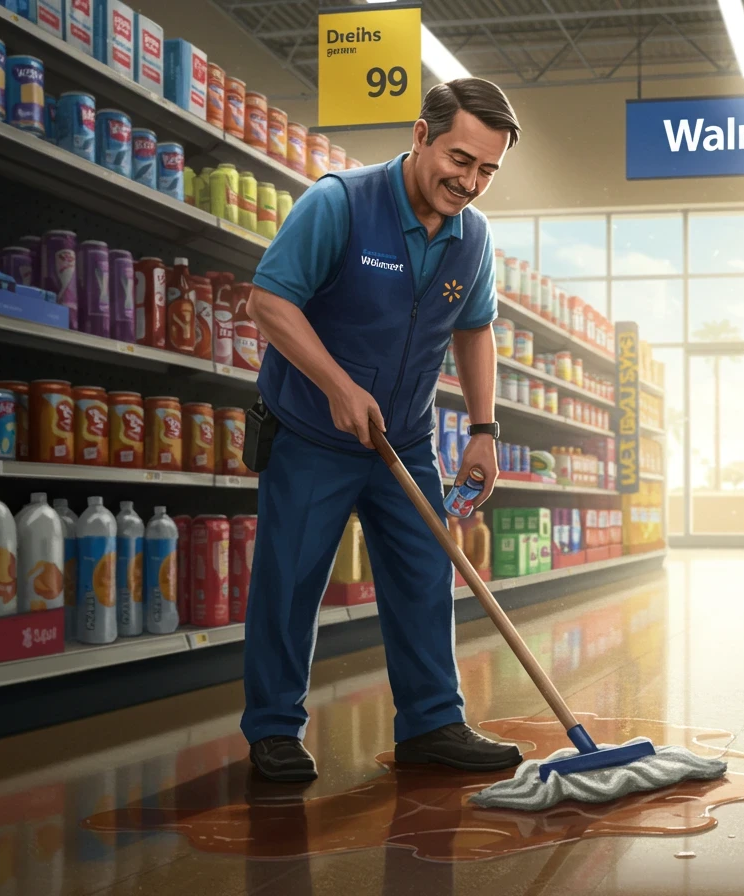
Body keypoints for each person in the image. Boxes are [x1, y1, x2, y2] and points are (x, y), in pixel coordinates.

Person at [240, 79, 524, 782]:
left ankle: (431, 724)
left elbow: (476, 328)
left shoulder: (473, 236)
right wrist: (336, 385)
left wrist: (485, 430)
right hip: (311, 431)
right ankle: (274, 731)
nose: (471, 181)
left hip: (406, 439)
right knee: (291, 580)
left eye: (487, 170)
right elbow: (268, 301)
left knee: (426, 574)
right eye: (461, 159)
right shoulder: (338, 203)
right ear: (421, 135)